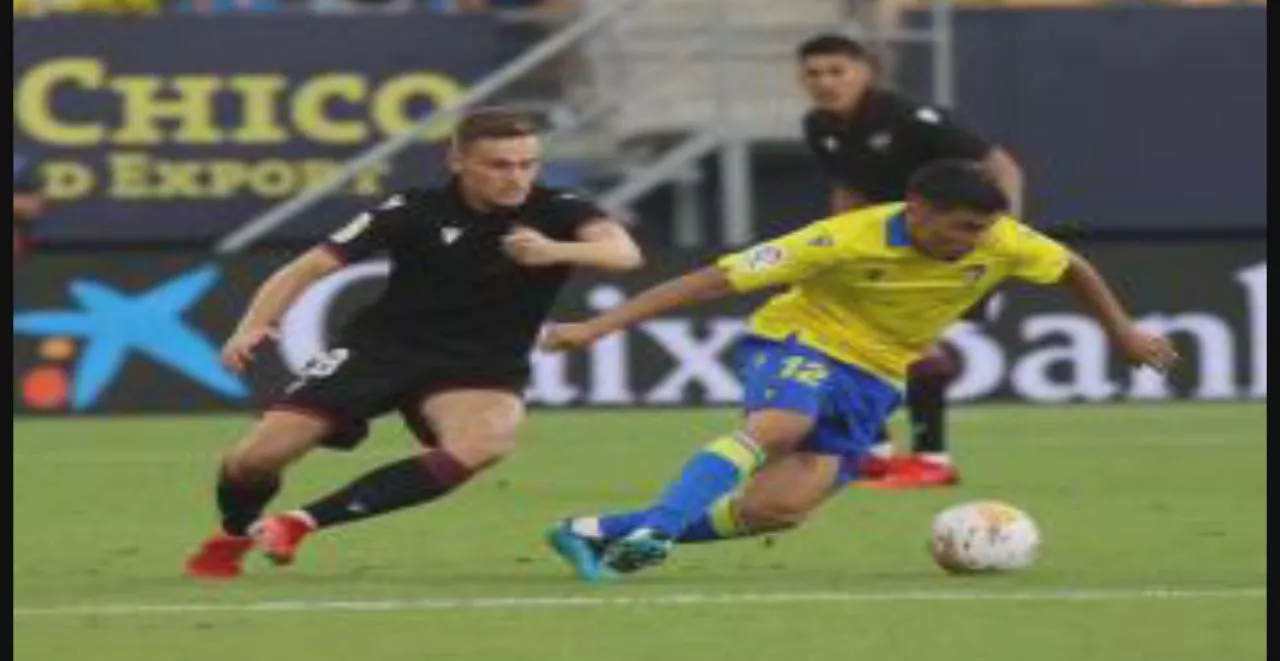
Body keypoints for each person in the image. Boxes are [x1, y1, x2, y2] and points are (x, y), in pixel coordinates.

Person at [541, 160, 1178, 582]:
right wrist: (598, 326)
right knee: (783, 423)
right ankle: (661, 525)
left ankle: (591, 532)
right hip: (800, 340)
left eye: (984, 229)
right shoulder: (842, 237)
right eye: (962, 228)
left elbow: (1071, 267)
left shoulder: (1004, 239)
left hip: (878, 373)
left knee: (779, 509)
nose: (975, 242)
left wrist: (1120, 330)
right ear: (918, 210)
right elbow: (714, 280)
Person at [184, 108, 643, 579]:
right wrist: (254, 325)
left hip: (480, 363)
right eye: (499, 165)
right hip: (381, 349)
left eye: (528, 164)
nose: (516, 178)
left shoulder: (561, 209)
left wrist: (556, 250)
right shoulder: (413, 210)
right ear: (458, 161)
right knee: (255, 460)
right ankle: (235, 533)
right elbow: (309, 267)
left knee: (487, 441)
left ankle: (298, 523)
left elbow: (624, 253)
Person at [797, 33, 1025, 487]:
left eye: (836, 71)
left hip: (942, 245)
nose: (825, 82)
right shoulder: (819, 126)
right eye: (813, 73)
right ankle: (877, 452)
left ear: (866, 72)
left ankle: (930, 458)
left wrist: (1005, 232)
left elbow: (1003, 166)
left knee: (905, 343)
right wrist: (838, 245)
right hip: (889, 245)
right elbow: (849, 187)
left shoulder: (907, 119)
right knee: (845, 332)